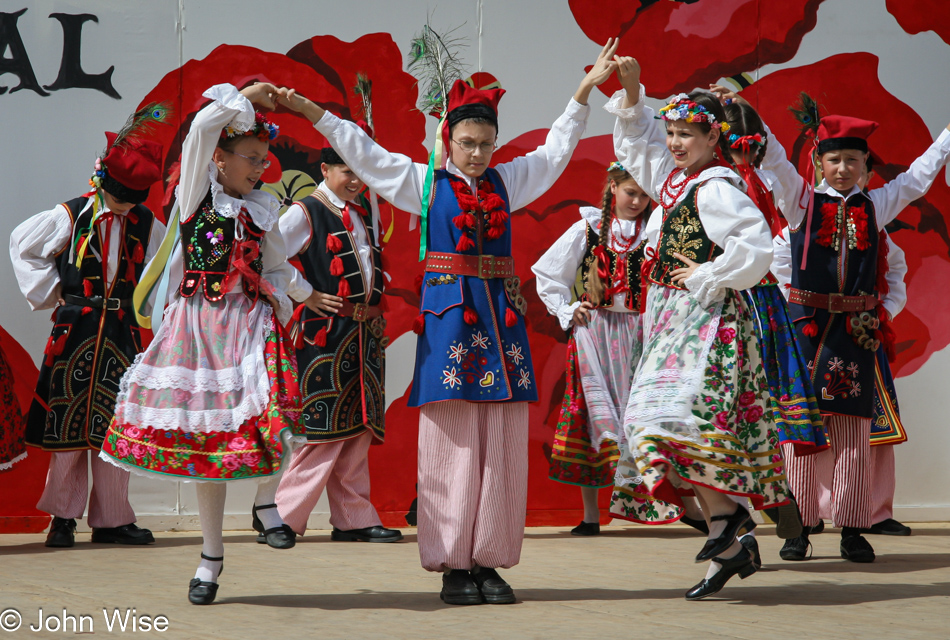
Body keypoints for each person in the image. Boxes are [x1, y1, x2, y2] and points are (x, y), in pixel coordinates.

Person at [275, 39, 620, 605]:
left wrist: (583, 92)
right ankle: (452, 565)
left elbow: (558, 151)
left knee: (502, 447)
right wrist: (313, 113)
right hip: (452, 328)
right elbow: (361, 151)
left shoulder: (511, 181)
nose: (478, 153)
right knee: (451, 449)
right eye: (467, 143)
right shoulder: (422, 183)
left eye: (486, 144)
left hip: (502, 329)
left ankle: (490, 561)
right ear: (448, 141)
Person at [99, 82, 313, 605]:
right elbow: (198, 128)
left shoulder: (264, 211)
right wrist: (247, 93)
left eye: (265, 159)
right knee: (205, 446)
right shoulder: (197, 194)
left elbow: (280, 269)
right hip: (197, 332)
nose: (261, 168)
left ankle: (267, 503)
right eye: (251, 158)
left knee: (283, 415)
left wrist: (283, 293)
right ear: (218, 159)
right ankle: (210, 557)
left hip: (247, 326)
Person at [607, 55, 791, 600]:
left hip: (707, 324)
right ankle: (730, 542)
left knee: (668, 422)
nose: (676, 142)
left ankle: (728, 528)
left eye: (687, 133)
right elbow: (636, 146)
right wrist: (635, 91)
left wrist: (710, 273)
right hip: (669, 321)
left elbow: (755, 244)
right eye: (672, 132)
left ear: (713, 138)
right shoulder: (673, 182)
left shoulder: (714, 187)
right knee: (656, 427)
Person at [759, 103, 950, 563]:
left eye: (852, 161)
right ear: (818, 162)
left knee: (854, 434)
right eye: (833, 160)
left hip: (855, 335)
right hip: (808, 332)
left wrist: (880, 312)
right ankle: (800, 527)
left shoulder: (876, 206)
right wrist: (745, 116)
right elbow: (775, 162)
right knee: (801, 432)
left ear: (866, 166)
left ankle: (852, 528)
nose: (842, 169)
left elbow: (920, 177)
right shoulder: (801, 202)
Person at [10, 112, 168, 547]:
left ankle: (112, 519)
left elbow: (162, 272)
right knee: (67, 428)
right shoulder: (71, 215)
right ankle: (62, 518)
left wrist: (150, 315)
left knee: (116, 427)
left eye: (131, 200)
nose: (124, 207)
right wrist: (54, 292)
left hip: (121, 335)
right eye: (119, 198)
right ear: (102, 181)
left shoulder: (145, 223)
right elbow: (23, 246)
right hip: (76, 330)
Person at [274, 146, 402, 543]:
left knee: (357, 431)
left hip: (363, 337)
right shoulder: (305, 210)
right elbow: (266, 256)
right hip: (324, 336)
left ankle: (353, 519)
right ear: (325, 169)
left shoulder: (361, 213)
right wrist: (304, 292)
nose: (355, 180)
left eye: (359, 172)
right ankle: (282, 518)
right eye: (346, 171)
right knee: (322, 432)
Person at [532, 161, 650, 536]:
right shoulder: (588, 229)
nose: (637, 201)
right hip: (595, 333)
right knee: (589, 418)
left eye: (645, 195)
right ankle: (590, 516)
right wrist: (569, 309)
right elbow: (549, 274)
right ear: (613, 187)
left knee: (643, 416)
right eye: (631, 192)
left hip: (639, 333)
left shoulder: (655, 230)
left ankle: (670, 504)